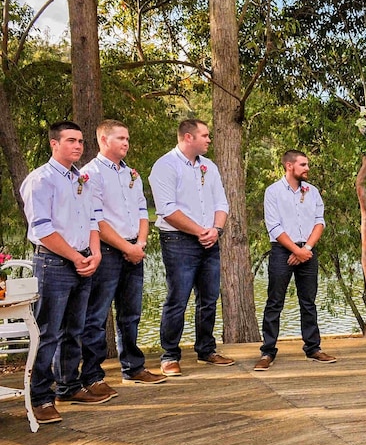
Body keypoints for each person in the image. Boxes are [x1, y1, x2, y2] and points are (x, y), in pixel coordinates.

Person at [20, 122, 104, 424]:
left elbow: (93, 219)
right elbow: (42, 229)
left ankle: (70, 384)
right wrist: (74, 257)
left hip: (83, 261)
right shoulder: (40, 180)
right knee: (48, 332)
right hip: (54, 264)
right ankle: (41, 396)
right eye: (71, 140)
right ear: (54, 144)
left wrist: (94, 254)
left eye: (81, 141)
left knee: (75, 330)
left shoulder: (82, 179)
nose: (78, 146)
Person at [76, 120, 166, 395]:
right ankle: (92, 376)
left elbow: (142, 209)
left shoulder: (132, 174)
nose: (126, 143)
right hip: (110, 251)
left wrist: (139, 243)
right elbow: (96, 220)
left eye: (127, 138)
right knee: (97, 315)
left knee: (131, 313)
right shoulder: (91, 173)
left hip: (134, 248)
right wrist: (126, 248)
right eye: (120, 138)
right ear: (104, 140)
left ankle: (133, 367)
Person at [148, 119, 232, 376]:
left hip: (210, 239)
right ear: (188, 137)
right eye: (205, 136)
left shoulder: (210, 167)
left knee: (208, 297)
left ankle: (206, 349)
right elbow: (167, 210)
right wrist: (199, 231)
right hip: (179, 241)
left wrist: (215, 230)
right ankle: (170, 355)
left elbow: (222, 203)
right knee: (178, 298)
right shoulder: (165, 166)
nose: (209, 140)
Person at [255, 150, 336, 370]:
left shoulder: (313, 192)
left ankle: (313, 348)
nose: (307, 168)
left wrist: (306, 248)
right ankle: (267, 351)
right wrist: (294, 250)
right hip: (282, 251)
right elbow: (273, 226)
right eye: (303, 164)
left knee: (308, 301)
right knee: (275, 302)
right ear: (289, 166)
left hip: (308, 250)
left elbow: (320, 221)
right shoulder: (273, 192)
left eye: (307, 164)